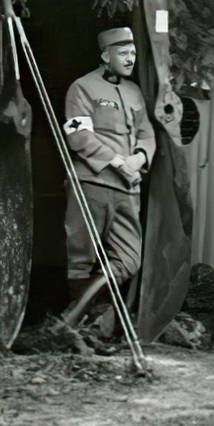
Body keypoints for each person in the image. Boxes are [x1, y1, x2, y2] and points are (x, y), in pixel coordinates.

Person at [58, 25, 155, 330]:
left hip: (128, 189)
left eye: (133, 53)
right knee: (81, 257)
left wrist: (139, 158)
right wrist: (116, 161)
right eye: (123, 53)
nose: (130, 59)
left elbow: (147, 134)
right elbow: (78, 135)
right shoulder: (82, 87)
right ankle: (87, 325)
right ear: (105, 55)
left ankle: (74, 316)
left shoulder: (134, 91)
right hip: (92, 183)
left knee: (129, 260)